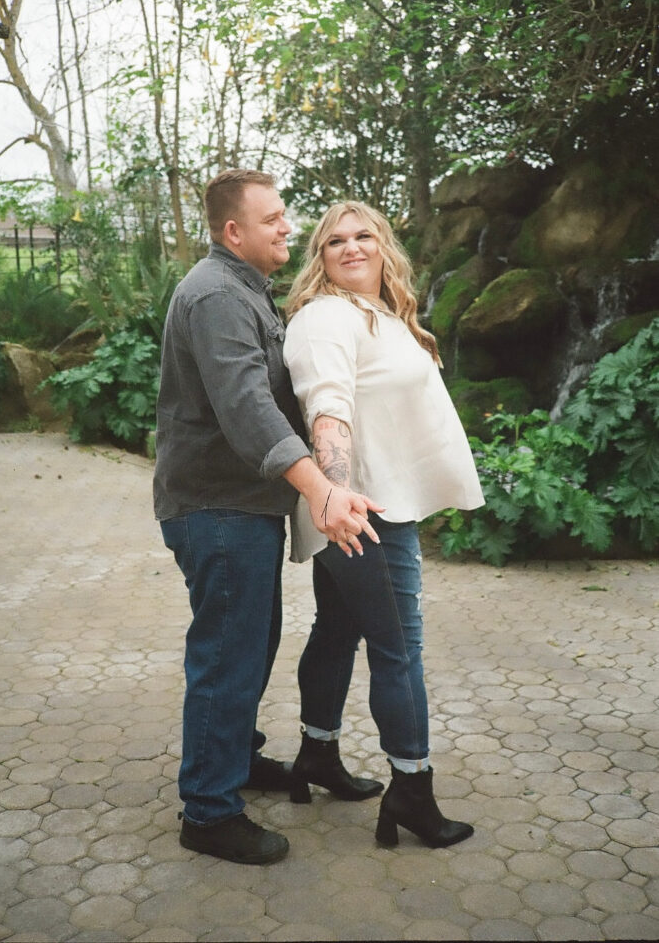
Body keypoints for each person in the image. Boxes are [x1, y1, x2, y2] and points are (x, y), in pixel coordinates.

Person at [153, 170, 384, 866]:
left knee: (249, 643)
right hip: (217, 509)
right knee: (228, 653)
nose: (289, 228)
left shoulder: (242, 289)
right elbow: (248, 409)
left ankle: (236, 760)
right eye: (275, 219)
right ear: (234, 232)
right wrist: (320, 489)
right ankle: (209, 811)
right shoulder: (220, 294)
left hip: (239, 507)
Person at [283, 200, 485, 849]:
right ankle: (412, 788)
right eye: (333, 240)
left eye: (362, 234)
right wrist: (336, 494)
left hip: (367, 507)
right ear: (320, 257)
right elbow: (327, 412)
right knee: (400, 651)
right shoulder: (324, 318)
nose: (350, 246)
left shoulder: (382, 316)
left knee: (338, 631)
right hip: (363, 514)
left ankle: (317, 754)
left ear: (382, 245)